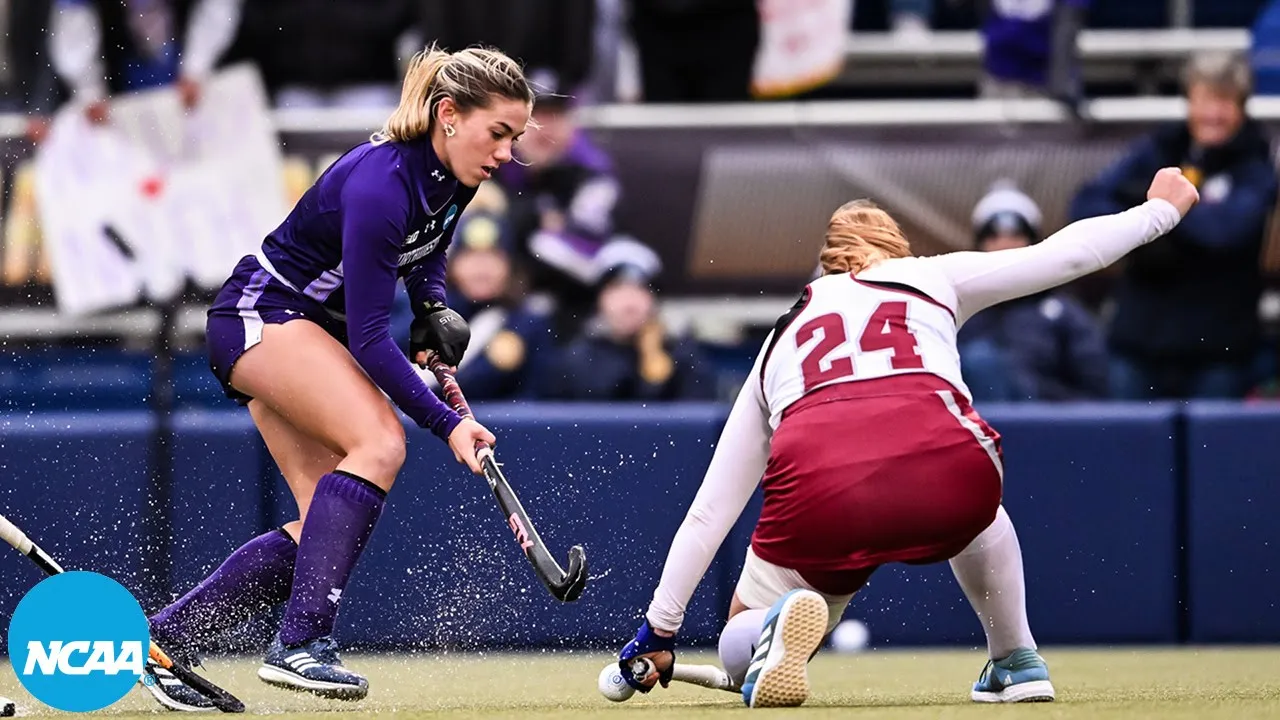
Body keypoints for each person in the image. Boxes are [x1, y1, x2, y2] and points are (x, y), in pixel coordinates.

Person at [616, 168, 1199, 708]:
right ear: (898, 248)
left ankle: (768, 630)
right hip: (946, 470)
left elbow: (710, 511)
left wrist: (659, 629)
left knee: (742, 634)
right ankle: (1016, 659)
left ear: (825, 265)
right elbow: (1064, 256)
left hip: (824, 495)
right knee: (983, 514)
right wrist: (1158, 213)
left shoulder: (779, 338)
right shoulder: (930, 275)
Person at [138, 45, 532, 710]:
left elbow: (426, 250)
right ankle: (300, 644)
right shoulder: (382, 185)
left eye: (515, 138)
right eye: (498, 133)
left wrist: (432, 306)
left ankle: (163, 641)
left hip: (307, 328)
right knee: (380, 443)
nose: (506, 153)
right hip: (261, 315)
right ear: (449, 115)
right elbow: (372, 338)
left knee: (321, 529)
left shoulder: (459, 174)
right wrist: (448, 424)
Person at [1070, 51, 1277, 400]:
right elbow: (1087, 204)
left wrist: (1157, 210)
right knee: (1124, 433)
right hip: (1138, 341)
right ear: (1189, 102)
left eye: (1225, 102)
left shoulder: (1256, 164)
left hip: (1218, 350)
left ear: (1242, 107)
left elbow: (1226, 231)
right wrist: (1150, 217)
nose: (1213, 114)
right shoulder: (1159, 147)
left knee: (1214, 436)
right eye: (1205, 100)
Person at [958, 184, 1109, 401]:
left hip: (1046, 416)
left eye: (1016, 235)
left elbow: (1095, 391)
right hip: (973, 416)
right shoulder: (960, 311)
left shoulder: (1064, 315)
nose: (1005, 246)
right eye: (994, 237)